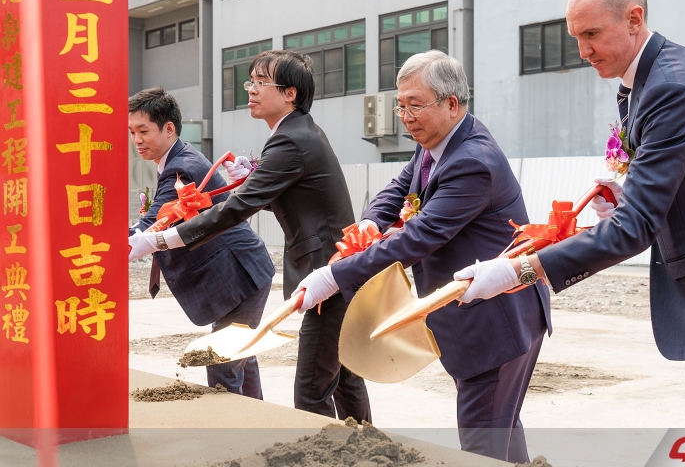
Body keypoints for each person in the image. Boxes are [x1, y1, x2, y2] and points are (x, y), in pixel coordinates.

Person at [455, 0, 685, 428]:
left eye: (592, 33)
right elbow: (676, 184)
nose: (583, 51)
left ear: (634, 18)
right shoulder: (649, 80)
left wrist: (518, 270)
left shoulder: (672, 87)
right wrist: (626, 192)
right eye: (576, 36)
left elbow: (635, 227)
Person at [292, 50, 551, 463]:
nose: (405, 115)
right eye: (401, 105)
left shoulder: (472, 162)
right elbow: (398, 190)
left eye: (416, 105)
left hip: (495, 321)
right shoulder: (437, 144)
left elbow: (420, 235)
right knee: (500, 427)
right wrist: (372, 222)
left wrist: (335, 275)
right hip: (496, 314)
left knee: (482, 440)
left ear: (452, 103)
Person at [128, 52, 372, 423]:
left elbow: (235, 208)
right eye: (250, 82)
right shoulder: (297, 133)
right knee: (343, 379)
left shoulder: (290, 139)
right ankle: (368, 450)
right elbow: (290, 200)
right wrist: (255, 173)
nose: (251, 91)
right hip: (337, 270)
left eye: (260, 83)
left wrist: (158, 241)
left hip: (327, 276)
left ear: (290, 93)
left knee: (309, 389)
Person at [128, 87, 274, 399]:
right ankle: (256, 431)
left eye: (143, 131)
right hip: (238, 273)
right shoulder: (175, 161)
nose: (137, 140)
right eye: (132, 132)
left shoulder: (183, 168)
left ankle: (231, 439)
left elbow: (152, 225)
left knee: (222, 362)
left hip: (241, 274)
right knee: (238, 359)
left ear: (169, 129)